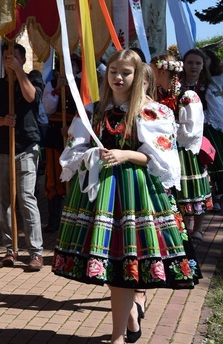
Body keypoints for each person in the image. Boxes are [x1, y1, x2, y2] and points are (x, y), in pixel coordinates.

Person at [54, 49, 199, 344]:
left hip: (137, 194)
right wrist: (91, 154)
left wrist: (125, 154)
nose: (118, 78)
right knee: (112, 262)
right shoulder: (94, 110)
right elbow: (72, 152)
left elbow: (163, 159)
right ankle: (130, 315)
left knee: (125, 260)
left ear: (139, 76)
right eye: (113, 72)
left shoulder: (153, 111)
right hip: (100, 196)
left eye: (125, 73)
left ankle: (119, 335)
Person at [0, 42, 45, 271]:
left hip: (26, 147)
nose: (9, 61)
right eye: (6, 57)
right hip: (2, 149)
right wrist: (2, 121)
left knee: (26, 198)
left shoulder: (33, 78)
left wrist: (18, 72)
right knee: (5, 201)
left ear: (22, 60)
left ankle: (36, 252)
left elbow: (31, 98)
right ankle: (10, 248)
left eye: (14, 58)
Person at [152, 54, 211, 241]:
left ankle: (197, 230)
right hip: (166, 149)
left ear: (162, 71)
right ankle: (179, 229)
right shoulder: (158, 94)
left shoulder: (187, 96)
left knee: (191, 191)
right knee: (175, 194)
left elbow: (191, 131)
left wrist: (166, 128)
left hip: (184, 151)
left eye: (153, 71)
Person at [41, 55, 81, 233]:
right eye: (65, 65)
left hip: (76, 134)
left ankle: (73, 218)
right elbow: (47, 108)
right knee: (53, 176)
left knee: (74, 175)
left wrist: (73, 129)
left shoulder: (82, 85)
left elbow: (87, 111)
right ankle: (54, 219)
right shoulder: (52, 84)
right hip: (55, 133)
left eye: (71, 65)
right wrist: (57, 89)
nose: (68, 68)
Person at [202, 48, 223, 211]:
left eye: (205, 59)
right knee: (215, 161)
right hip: (211, 126)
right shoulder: (200, 83)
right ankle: (217, 196)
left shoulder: (219, 77)